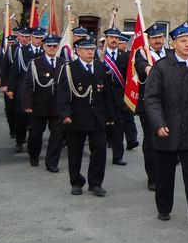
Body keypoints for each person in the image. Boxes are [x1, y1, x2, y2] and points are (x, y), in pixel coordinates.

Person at [144, 22, 188, 227]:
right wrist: (158, 123)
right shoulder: (161, 67)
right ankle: (164, 207)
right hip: (167, 128)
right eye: (183, 41)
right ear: (174, 43)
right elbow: (152, 98)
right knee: (165, 173)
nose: (187, 45)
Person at [56, 36, 115, 197]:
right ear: (78, 51)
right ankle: (76, 182)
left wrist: (110, 115)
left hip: (97, 117)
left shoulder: (100, 67)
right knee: (75, 152)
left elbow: (107, 94)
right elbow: (62, 94)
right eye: (86, 49)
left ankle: (95, 183)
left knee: (99, 150)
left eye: (92, 49)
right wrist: (65, 114)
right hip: (76, 116)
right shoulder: (69, 69)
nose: (90, 52)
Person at [21, 34, 66, 171]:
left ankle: (52, 163)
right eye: (49, 46)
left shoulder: (63, 63)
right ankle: (34, 155)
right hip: (39, 105)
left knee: (57, 136)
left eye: (54, 46)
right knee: (35, 134)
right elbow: (28, 85)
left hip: (57, 106)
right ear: (44, 47)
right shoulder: (35, 63)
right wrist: (27, 105)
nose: (52, 48)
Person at [134, 23, 168, 191]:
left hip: (168, 105)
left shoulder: (170, 54)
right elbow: (140, 65)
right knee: (151, 141)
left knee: (166, 139)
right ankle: (152, 177)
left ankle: (164, 172)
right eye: (154, 38)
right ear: (149, 40)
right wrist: (148, 68)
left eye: (160, 37)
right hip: (148, 105)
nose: (158, 41)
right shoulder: (143, 54)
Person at [8, 27, 44, 152]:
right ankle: (19, 141)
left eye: (41, 38)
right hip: (23, 88)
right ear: (31, 38)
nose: (39, 40)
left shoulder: (45, 52)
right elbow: (14, 71)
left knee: (37, 119)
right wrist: (11, 88)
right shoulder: (21, 51)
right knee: (21, 117)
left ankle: (34, 142)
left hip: (40, 90)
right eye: (36, 38)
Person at [100, 27, 130, 166]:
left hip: (118, 98)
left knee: (118, 129)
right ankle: (99, 155)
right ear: (106, 39)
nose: (114, 40)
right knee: (101, 128)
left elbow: (129, 78)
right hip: (102, 96)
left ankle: (118, 156)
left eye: (116, 38)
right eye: (111, 37)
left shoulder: (125, 56)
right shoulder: (100, 55)